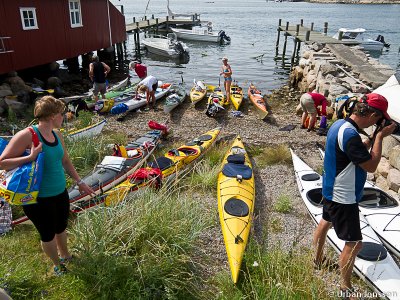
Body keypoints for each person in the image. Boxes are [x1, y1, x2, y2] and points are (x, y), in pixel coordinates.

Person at [0, 96, 95, 276]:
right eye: (61, 114)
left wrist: (80, 182)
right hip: (36, 198)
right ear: (52, 115)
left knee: (61, 227)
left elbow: (65, 161)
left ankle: (66, 255)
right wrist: (30, 157)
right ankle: (57, 264)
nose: (64, 117)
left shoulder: (57, 134)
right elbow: (2, 162)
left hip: (59, 191)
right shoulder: (27, 135)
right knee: (48, 233)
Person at [313, 93, 396, 297]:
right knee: (354, 243)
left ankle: (316, 260)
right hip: (344, 196)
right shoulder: (351, 136)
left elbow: (349, 153)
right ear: (372, 115)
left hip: (330, 188)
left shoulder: (340, 125)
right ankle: (345, 288)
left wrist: (367, 142)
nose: (377, 123)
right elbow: (371, 166)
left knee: (325, 222)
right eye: (378, 119)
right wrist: (379, 137)